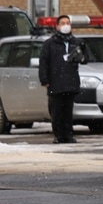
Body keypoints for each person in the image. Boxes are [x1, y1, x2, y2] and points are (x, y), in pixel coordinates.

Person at [38, 16, 88, 144]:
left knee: (68, 111)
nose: (66, 25)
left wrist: (80, 56)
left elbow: (86, 58)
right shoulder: (50, 44)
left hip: (70, 82)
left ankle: (68, 134)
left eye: (68, 23)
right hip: (55, 82)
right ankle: (58, 135)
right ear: (57, 26)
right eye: (63, 23)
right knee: (56, 111)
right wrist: (44, 79)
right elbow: (44, 62)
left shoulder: (76, 42)